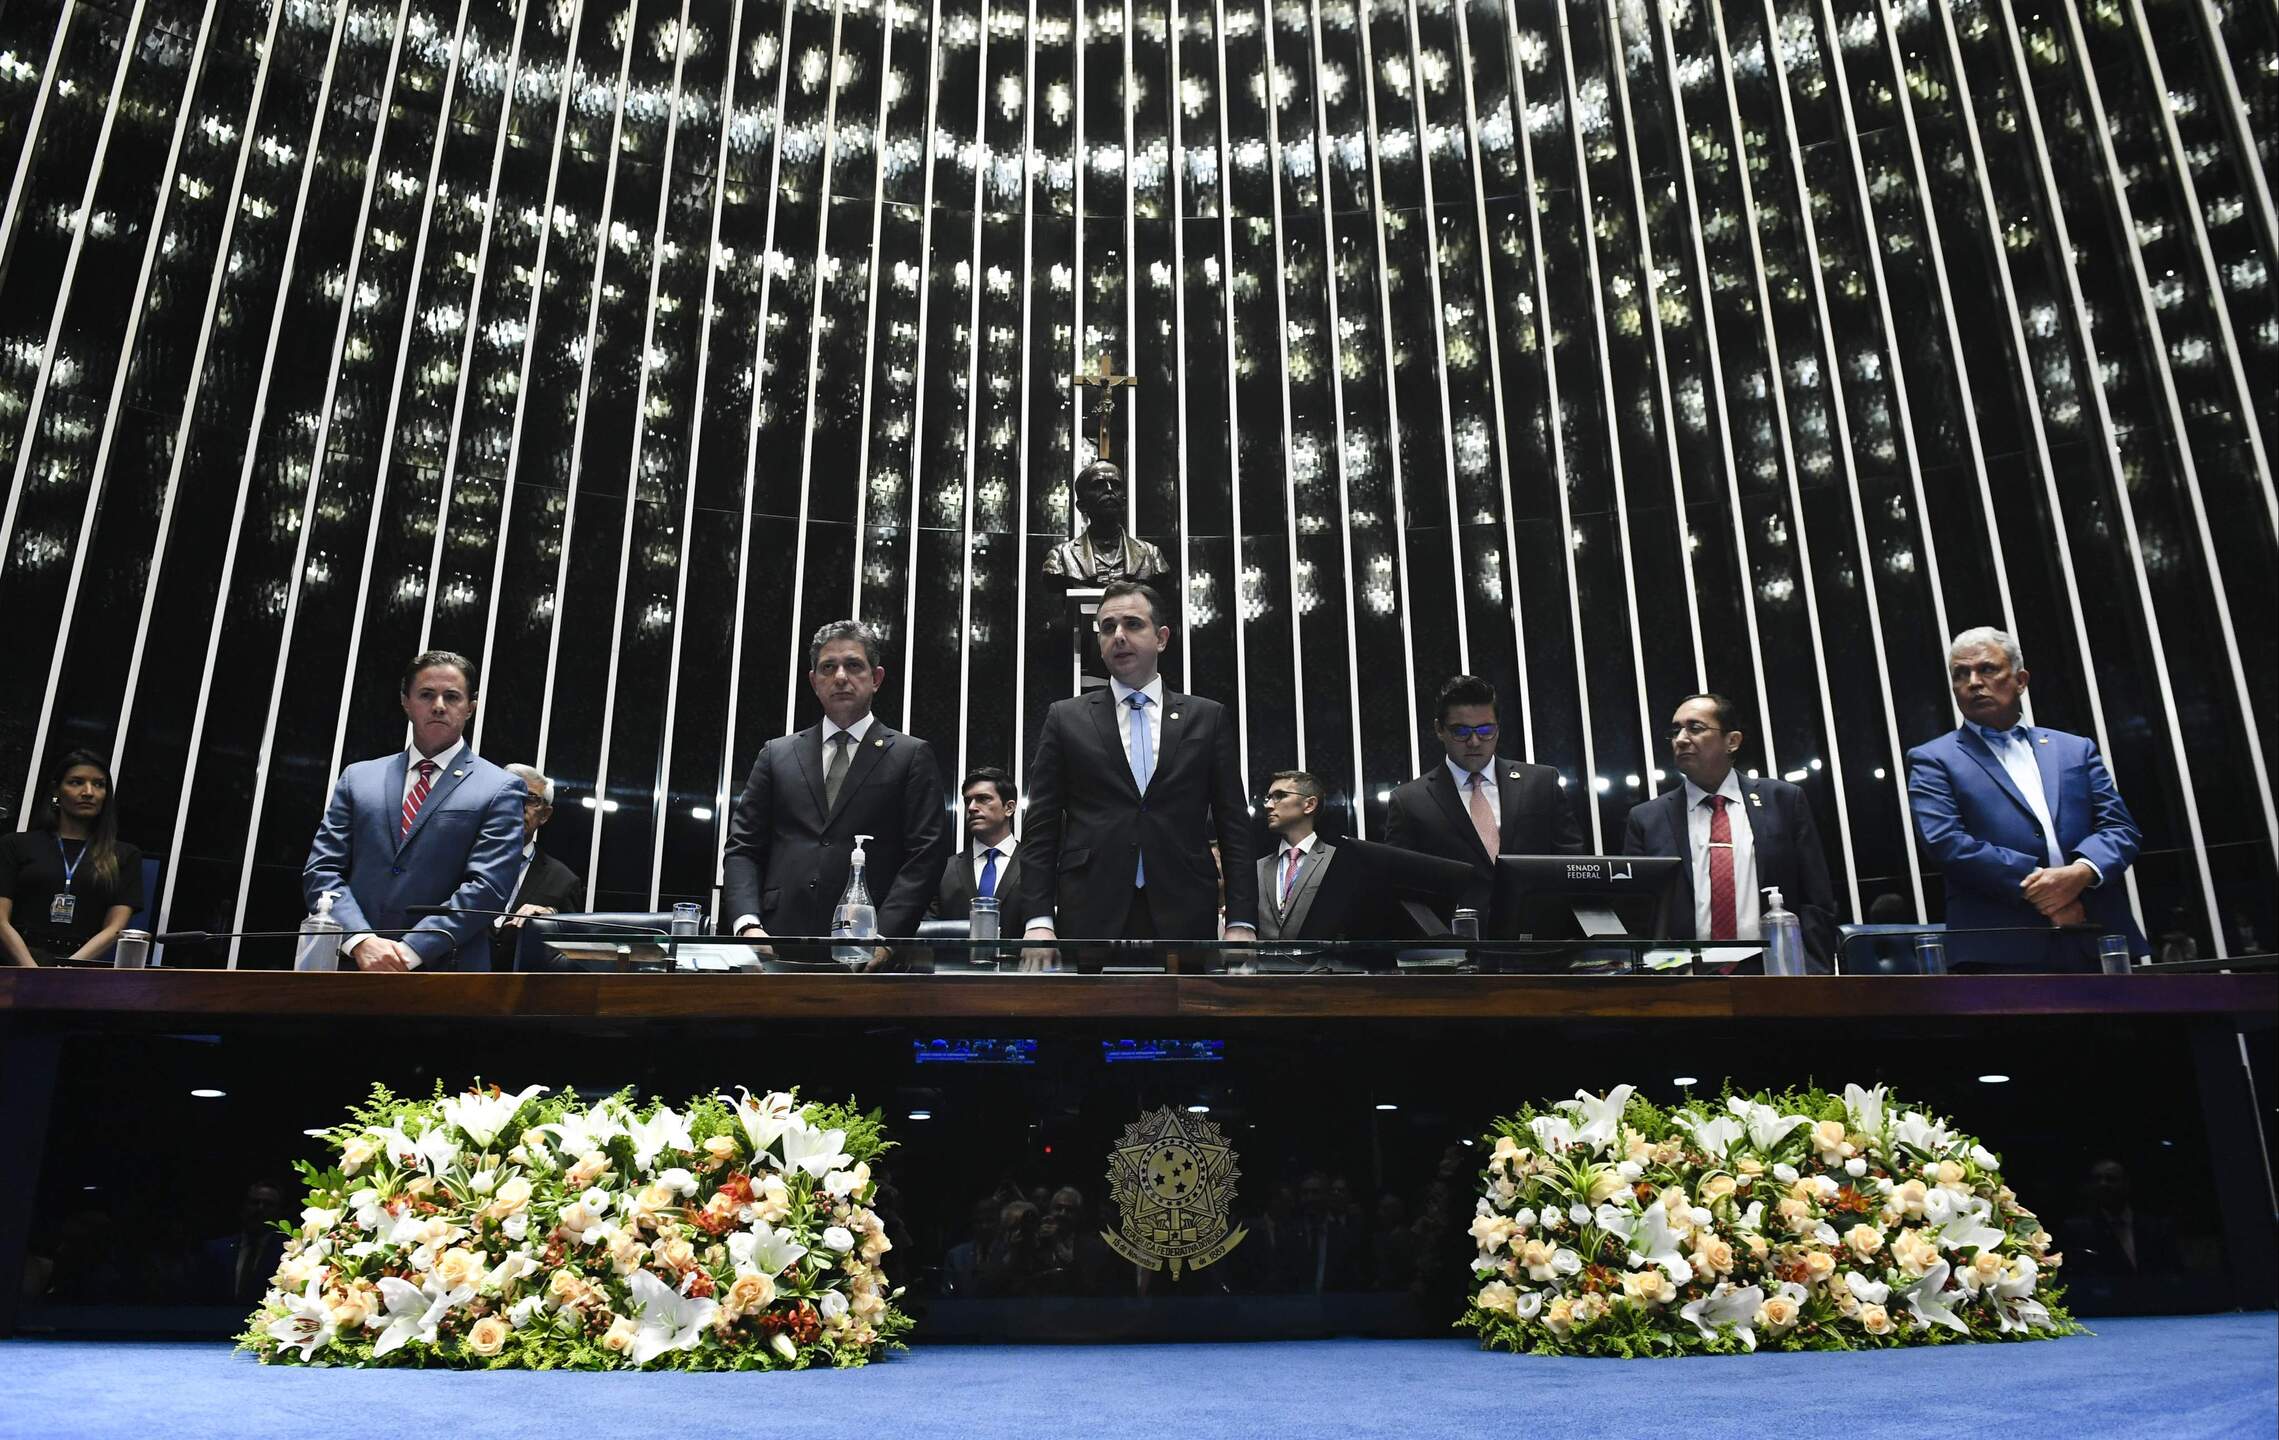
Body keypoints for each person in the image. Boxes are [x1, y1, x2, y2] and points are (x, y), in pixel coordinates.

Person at [1018, 580, 1257, 943]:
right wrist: (1038, 920)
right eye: (1108, 627)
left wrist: (1241, 921)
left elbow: (1234, 827)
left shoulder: (1206, 718)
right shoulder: (1066, 718)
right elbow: (1040, 830)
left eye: (1133, 624)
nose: (1118, 636)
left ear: (1161, 638)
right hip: (1089, 909)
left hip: (1187, 908)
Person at [1907, 627, 2146, 969]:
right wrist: (2046, 889)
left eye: (1987, 669)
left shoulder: (2075, 749)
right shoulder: (1933, 759)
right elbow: (1947, 843)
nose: (1973, 682)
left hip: (2096, 934)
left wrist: (2079, 874)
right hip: (2000, 948)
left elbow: (2120, 829)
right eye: (1961, 674)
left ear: (2020, 680)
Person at [723, 620, 949, 944]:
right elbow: (743, 847)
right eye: (828, 667)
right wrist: (747, 924)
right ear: (814, 682)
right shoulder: (777, 754)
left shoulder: (911, 755)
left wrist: (885, 936)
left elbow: (925, 856)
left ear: (876, 678)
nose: (840, 677)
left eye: (853, 665)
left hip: (870, 946)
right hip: (777, 941)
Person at [302, 650, 527, 971]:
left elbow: (488, 888)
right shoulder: (359, 777)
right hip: (353, 967)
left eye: (452, 696)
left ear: (470, 708)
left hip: (445, 973)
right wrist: (361, 940)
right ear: (406, 701)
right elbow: (321, 871)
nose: (439, 705)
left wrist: (408, 952)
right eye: (426, 694)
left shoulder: (500, 787)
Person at [1621, 693, 1839, 967]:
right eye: (1675, 730)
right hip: (1682, 978)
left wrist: (1814, 971)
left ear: (1732, 741)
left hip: (1772, 972)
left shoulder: (1783, 801)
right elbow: (1636, 913)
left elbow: (1815, 897)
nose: (1681, 739)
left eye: (1695, 728)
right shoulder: (1647, 818)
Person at [1383, 675, 1583, 912]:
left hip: (1539, 939)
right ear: (1439, 729)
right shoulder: (1410, 801)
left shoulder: (1541, 783)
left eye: (1486, 729)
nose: (1475, 741)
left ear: (1498, 728)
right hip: (1455, 942)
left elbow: (1573, 867)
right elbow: (1400, 888)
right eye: (1461, 732)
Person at [0, 749, 144, 966]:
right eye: (76, 782)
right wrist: (30, 970)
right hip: (16, 964)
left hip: (79, 969)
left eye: (98, 784)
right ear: (57, 790)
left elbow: (115, 928)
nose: (88, 792)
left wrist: (67, 970)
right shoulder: (16, 845)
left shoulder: (124, 855)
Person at [1041, 460, 1169, 585]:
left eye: (1116, 485)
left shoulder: (1151, 555)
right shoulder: (1060, 556)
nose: (1109, 490)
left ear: (1124, 503)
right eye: (1098, 486)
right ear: (1082, 505)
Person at [934, 767, 1025, 922]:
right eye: (968, 801)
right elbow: (928, 930)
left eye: (983, 799)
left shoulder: (1036, 865)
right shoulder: (944, 869)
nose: (971, 808)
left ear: (1009, 808)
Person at [1256, 770, 1335, 941]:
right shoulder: (1257, 868)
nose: (1268, 805)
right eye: (1268, 797)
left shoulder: (1336, 862)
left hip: (1321, 965)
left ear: (1309, 805)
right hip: (1265, 966)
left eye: (1280, 796)